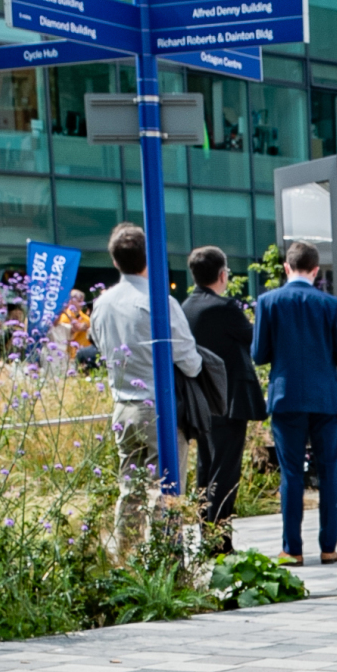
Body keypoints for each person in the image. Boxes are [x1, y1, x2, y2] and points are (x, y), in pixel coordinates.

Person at [90, 222, 204, 557]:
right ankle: (165, 561)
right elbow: (189, 360)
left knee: (131, 489)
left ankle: (125, 556)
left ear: (114, 261)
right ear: (150, 258)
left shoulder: (102, 304)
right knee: (166, 492)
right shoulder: (159, 301)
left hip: (122, 407)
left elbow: (100, 347)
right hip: (158, 408)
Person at [250, 238, 337, 567]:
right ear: (316, 271)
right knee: (330, 471)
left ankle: (292, 549)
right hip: (325, 397)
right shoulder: (332, 305)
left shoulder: (268, 301)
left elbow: (259, 354)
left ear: (286, 267)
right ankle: (329, 547)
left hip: (286, 395)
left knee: (290, 473)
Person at [182, 246, 265, 550]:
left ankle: (208, 537)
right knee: (226, 472)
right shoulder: (224, 308)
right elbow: (253, 337)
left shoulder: (186, 307)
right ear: (222, 274)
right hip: (229, 402)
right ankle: (219, 542)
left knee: (206, 469)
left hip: (200, 402)